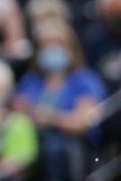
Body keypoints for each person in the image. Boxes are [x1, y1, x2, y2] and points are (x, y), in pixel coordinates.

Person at [14, 18, 107, 181]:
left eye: (57, 43)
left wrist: (49, 117)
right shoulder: (30, 81)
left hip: (74, 149)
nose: (51, 48)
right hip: (34, 146)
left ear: (70, 47)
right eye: (46, 44)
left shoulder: (84, 80)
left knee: (55, 149)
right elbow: (18, 115)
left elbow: (81, 123)